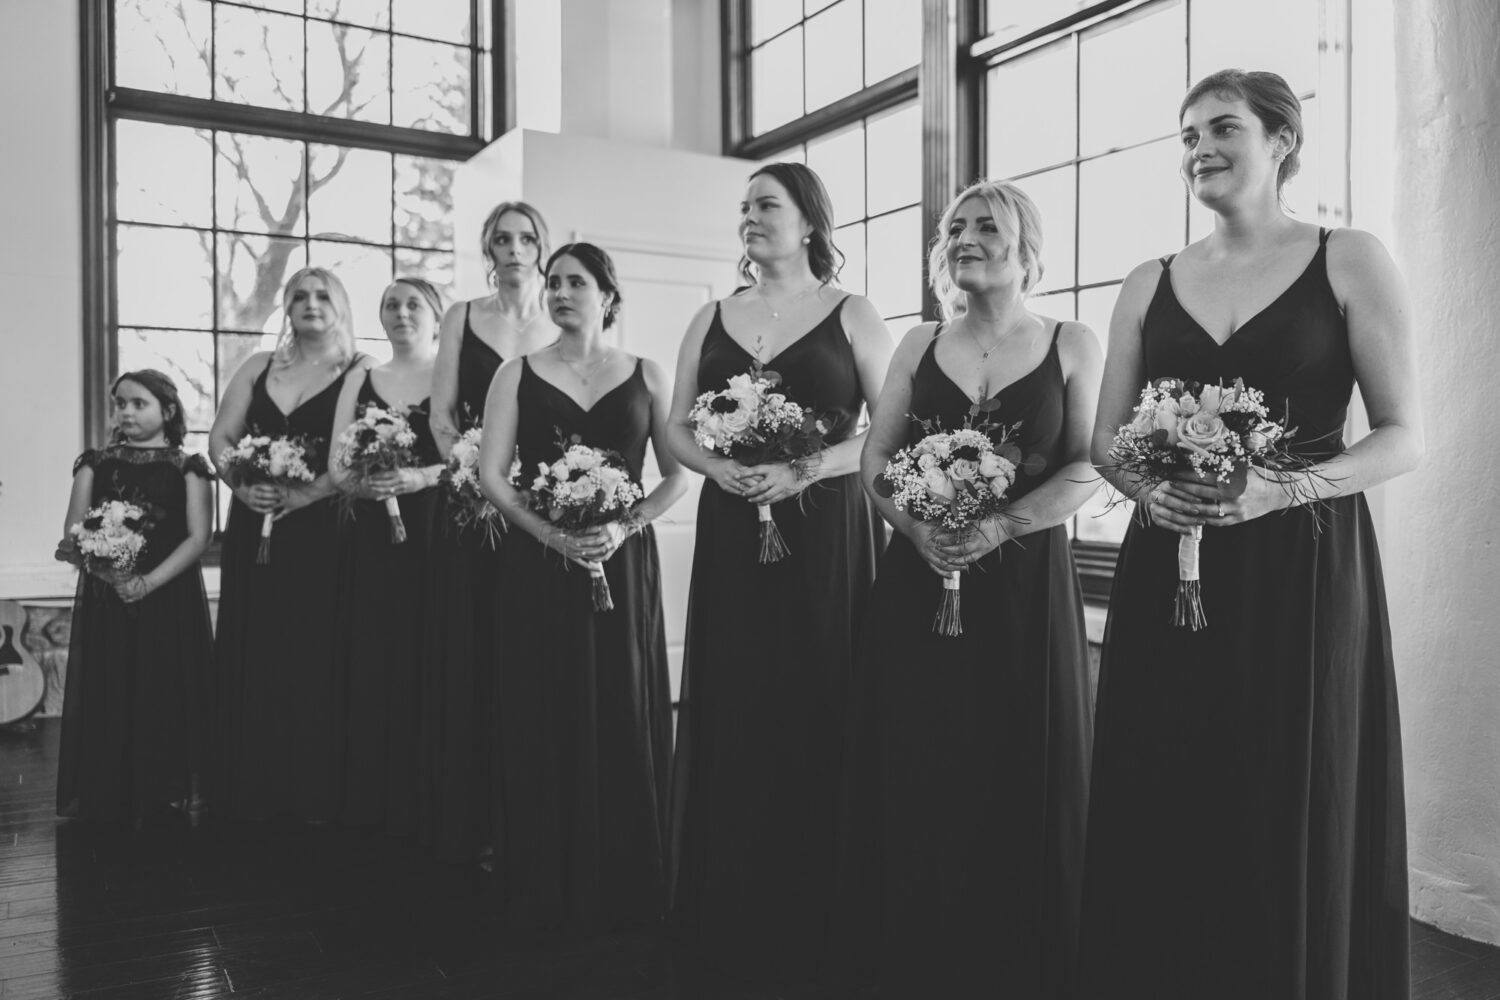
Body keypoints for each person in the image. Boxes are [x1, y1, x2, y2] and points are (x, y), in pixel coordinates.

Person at [1080, 70, 1421, 1000]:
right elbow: (1106, 440)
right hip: (1170, 565)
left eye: (1223, 127)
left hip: (1303, 566)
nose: (1200, 149)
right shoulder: (1149, 280)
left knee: (1284, 786)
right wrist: (1151, 491)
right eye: (1187, 135)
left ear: (1281, 140)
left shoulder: (1347, 258)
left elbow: (1403, 436)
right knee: (1171, 780)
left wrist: (1286, 488)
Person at [830, 180, 1100, 997]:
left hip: (1025, 590)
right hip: (916, 586)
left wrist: (1001, 526)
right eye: (955, 228)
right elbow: (876, 464)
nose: (966, 237)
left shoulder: (1072, 342)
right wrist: (917, 531)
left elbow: (1090, 463)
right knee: (921, 752)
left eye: (987, 225)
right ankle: (917, 939)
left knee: (1018, 756)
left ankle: (1019, 952)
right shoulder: (917, 346)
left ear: (1026, 245)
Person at [665, 162, 892, 985]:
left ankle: (820, 901)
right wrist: (719, 472)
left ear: (809, 222)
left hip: (826, 526)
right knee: (738, 696)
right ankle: (733, 894)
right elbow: (677, 428)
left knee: (818, 689)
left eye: (767, 205)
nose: (750, 218)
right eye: (745, 208)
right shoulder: (712, 316)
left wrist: (806, 469)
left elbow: (886, 432)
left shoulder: (852, 313)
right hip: (735, 524)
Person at [477, 243, 687, 928]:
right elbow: (493, 477)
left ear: (607, 295)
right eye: (554, 282)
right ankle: (546, 869)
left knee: (622, 699)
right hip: (538, 563)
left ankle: (628, 868)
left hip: (621, 563)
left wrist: (625, 527)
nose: (561, 291)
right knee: (545, 696)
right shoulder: (516, 375)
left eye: (576, 281)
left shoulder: (647, 375)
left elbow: (677, 473)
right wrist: (553, 536)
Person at [421, 201, 559, 864]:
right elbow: (442, 414)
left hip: (540, 507)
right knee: (473, 644)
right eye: (501, 238)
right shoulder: (461, 317)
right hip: (470, 507)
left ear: (542, 246)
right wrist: (470, 464)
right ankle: (473, 816)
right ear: (488, 248)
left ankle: (534, 808)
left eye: (525, 238)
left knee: (532, 649)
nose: (514, 248)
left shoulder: (559, 317)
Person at [209, 267, 367, 822]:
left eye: (323, 295)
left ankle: (315, 788)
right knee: (258, 639)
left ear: (342, 306)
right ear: (286, 307)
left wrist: (308, 496)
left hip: (325, 529)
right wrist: (241, 484)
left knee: (315, 646)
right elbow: (221, 438)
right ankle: (252, 781)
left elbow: (355, 453)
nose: (310, 303)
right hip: (256, 524)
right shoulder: (259, 366)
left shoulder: (358, 368)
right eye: (298, 295)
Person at [55, 370, 215, 825]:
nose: (125, 412)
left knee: (164, 683)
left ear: (167, 411)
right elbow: (73, 533)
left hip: (168, 596)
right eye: (119, 403)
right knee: (113, 682)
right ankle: (109, 785)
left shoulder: (189, 467)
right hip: (110, 598)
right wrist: (112, 574)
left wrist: (147, 583)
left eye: (137, 403)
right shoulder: (95, 464)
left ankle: (170, 786)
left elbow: (199, 537)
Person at [328, 277, 445, 835]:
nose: (402, 313)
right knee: (375, 650)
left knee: (431, 648)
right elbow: (335, 463)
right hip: (373, 533)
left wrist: (420, 476)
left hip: (438, 530)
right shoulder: (362, 379)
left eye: (414, 304)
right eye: (391, 305)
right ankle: (373, 792)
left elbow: (476, 456)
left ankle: (430, 793)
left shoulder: (453, 373)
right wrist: (362, 483)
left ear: (436, 316)